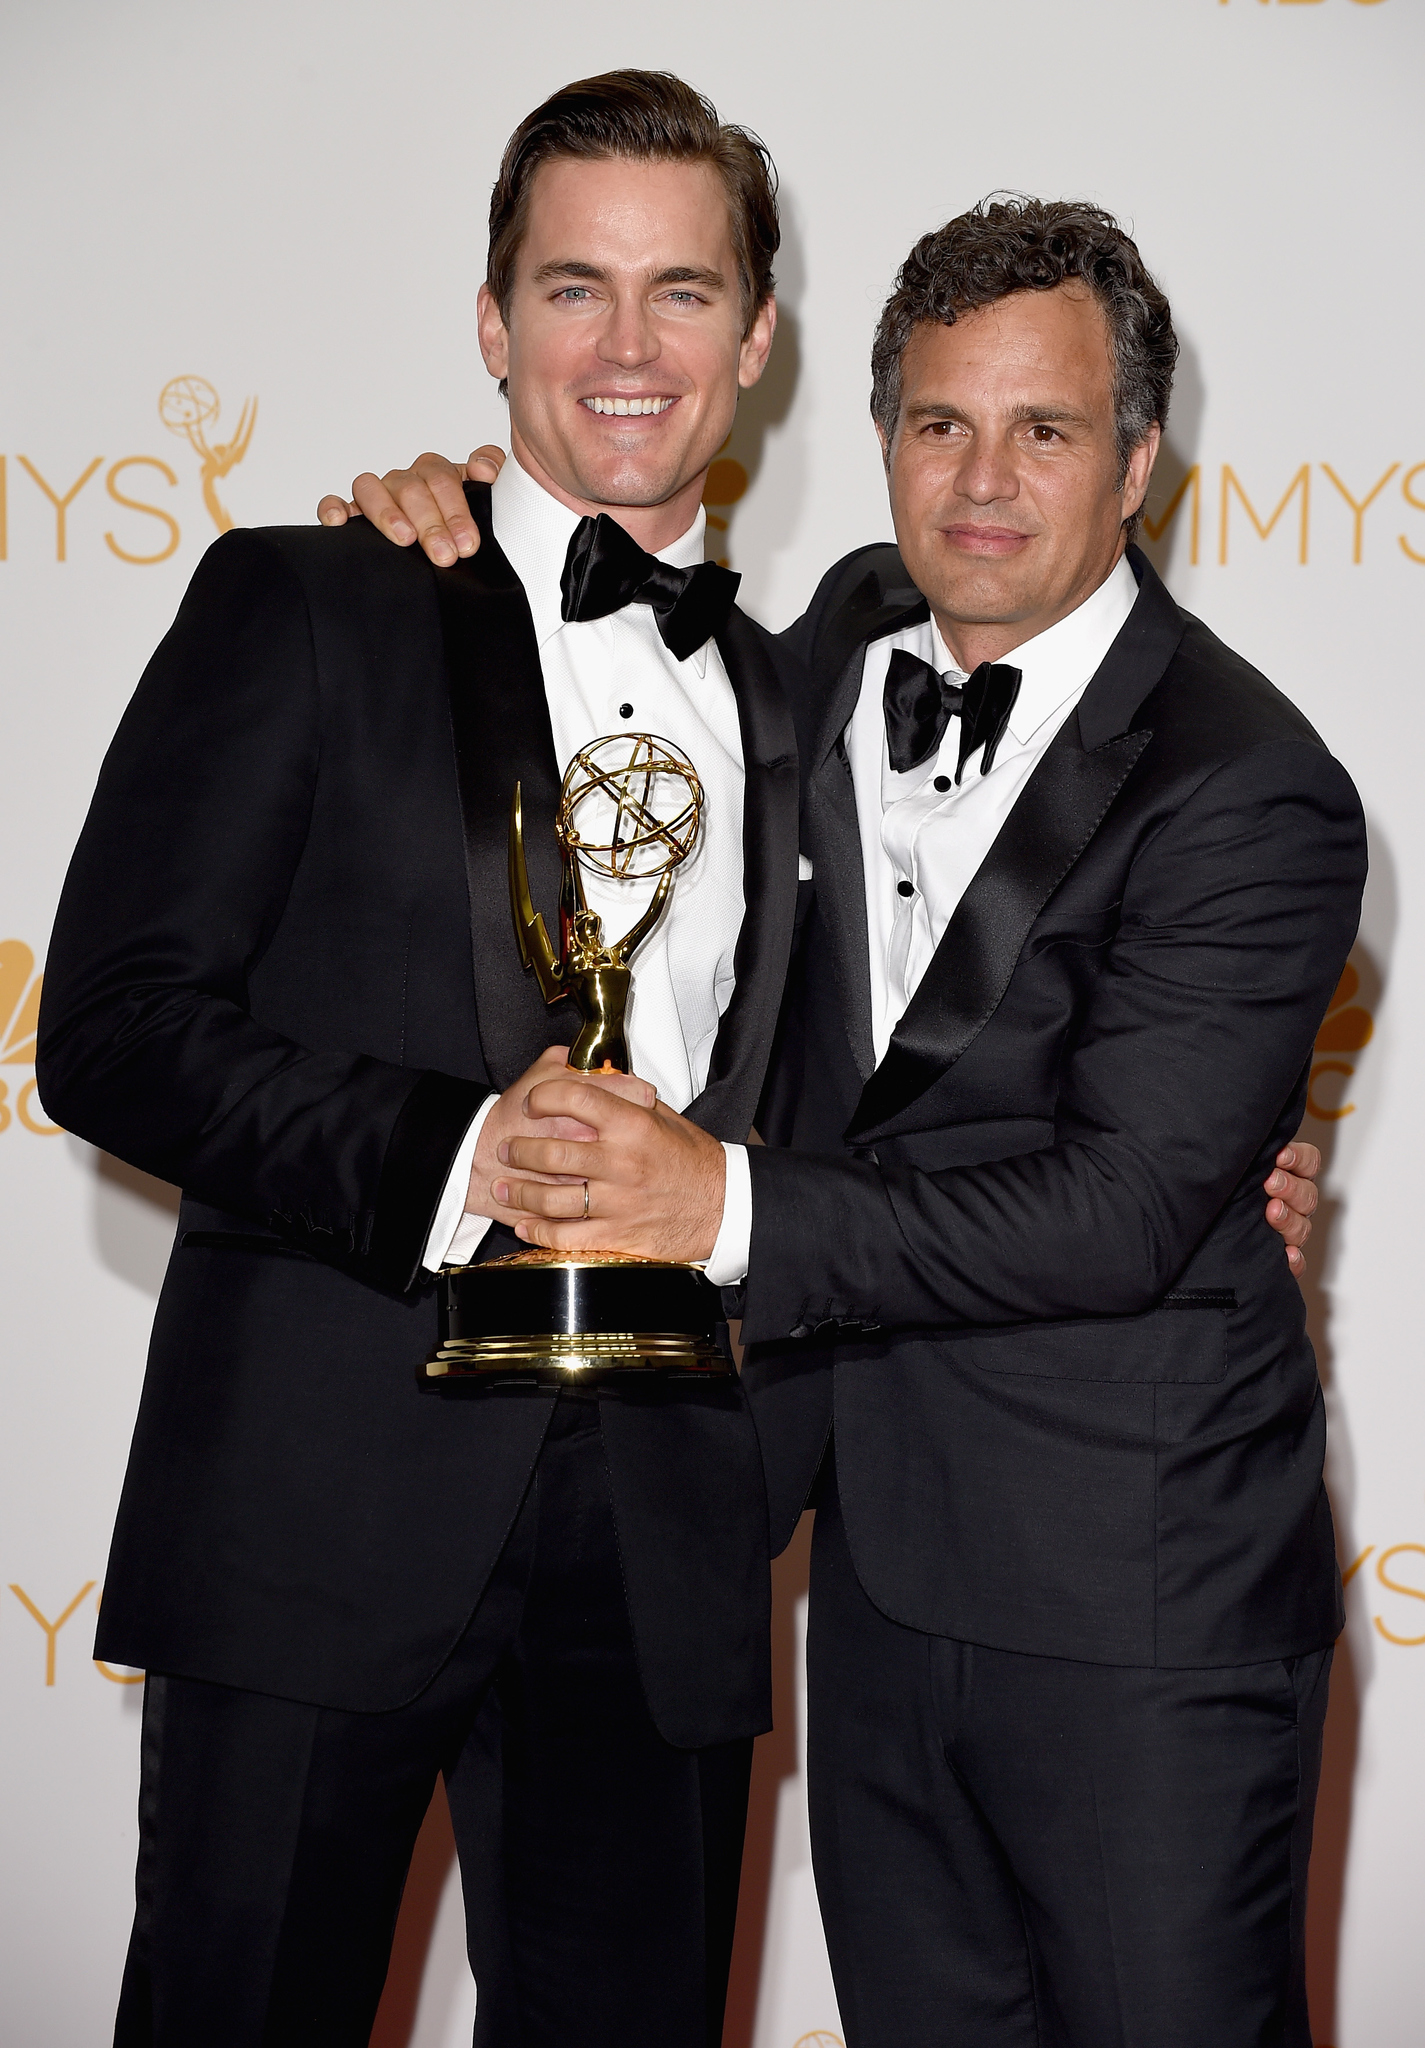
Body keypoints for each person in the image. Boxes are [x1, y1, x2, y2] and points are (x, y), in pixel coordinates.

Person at [341, 199, 1360, 2047]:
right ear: (875, 432)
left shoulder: (1252, 784)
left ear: (1137, 461)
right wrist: (439, 514)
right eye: (936, 424)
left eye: (1042, 431)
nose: (980, 483)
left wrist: (716, 1206)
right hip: (863, 1580)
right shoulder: (815, 659)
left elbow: (1123, 1205)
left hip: (1136, 1594)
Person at [37, 71, 802, 2048]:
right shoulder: (305, 599)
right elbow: (109, 1027)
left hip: (658, 1547)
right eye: (572, 288)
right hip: (315, 1504)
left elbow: (861, 1090)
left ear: (757, 336)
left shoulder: (793, 699)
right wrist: (460, 1149)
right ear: (490, 323)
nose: (627, 347)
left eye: (680, 292)